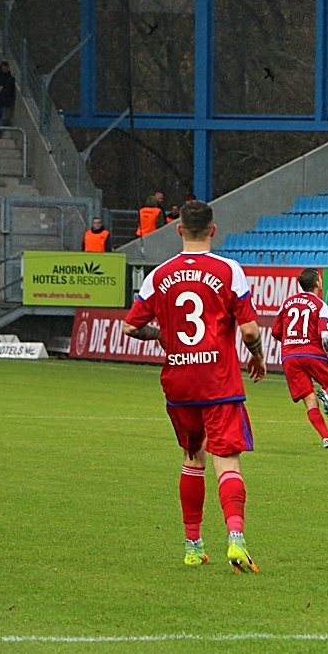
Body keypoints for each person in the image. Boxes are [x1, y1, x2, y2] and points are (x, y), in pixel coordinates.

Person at [122, 199, 266, 572]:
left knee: (192, 459)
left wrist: (160, 334)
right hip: (219, 382)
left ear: (179, 229)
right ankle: (235, 539)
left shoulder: (159, 275)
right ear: (213, 230)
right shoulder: (228, 270)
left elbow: (130, 326)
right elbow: (249, 329)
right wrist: (258, 356)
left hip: (179, 383)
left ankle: (193, 545)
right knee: (227, 462)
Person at [271, 267, 328, 449]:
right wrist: (325, 350)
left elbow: (275, 331)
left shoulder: (286, 303)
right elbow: (324, 335)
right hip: (312, 353)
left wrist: (291, 342)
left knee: (310, 402)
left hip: (289, 357)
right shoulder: (321, 305)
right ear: (317, 284)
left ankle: (327, 438)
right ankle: (326, 394)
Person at [0, 60, 16, 139]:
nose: (5, 70)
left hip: (6, 100)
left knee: (3, 117)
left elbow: (12, 91)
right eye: (4, 69)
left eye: (6, 69)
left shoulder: (10, 78)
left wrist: (11, 100)